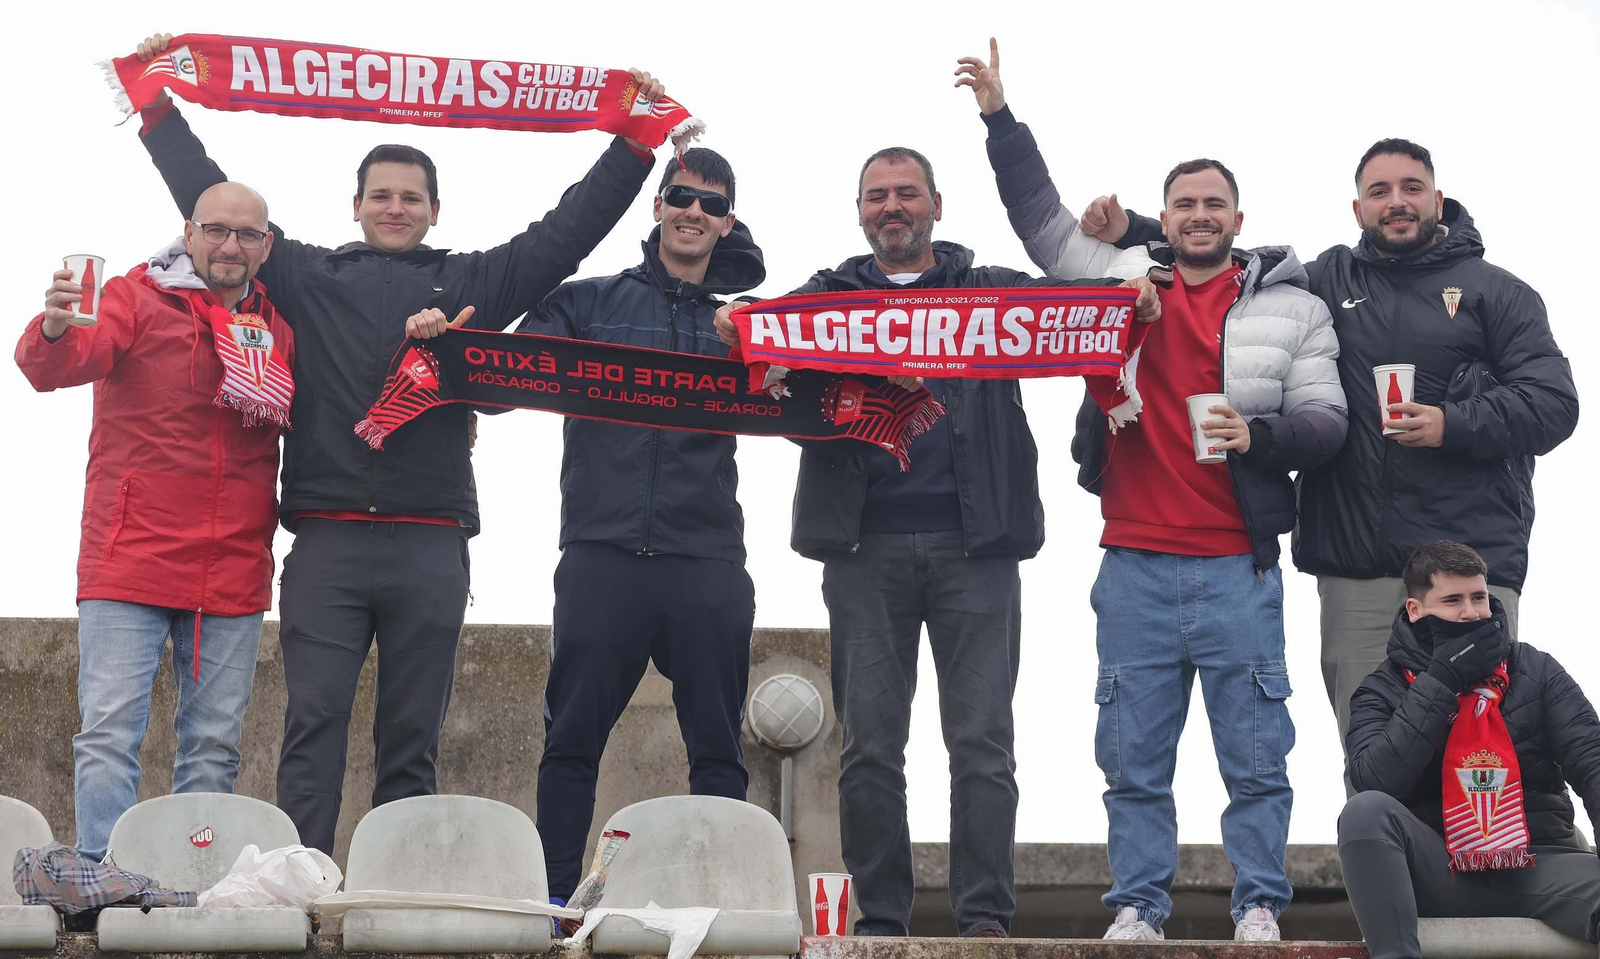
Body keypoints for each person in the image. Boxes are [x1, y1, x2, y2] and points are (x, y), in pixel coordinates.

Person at [130, 32, 667, 853]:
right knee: (311, 730)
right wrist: (153, 103)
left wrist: (637, 144)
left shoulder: (479, 281)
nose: (394, 208)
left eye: (411, 198)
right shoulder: (304, 274)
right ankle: (298, 892)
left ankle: (387, 891)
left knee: (411, 745)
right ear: (355, 206)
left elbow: (567, 233)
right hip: (329, 543)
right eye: (380, 195)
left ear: (434, 211)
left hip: (430, 543)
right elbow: (210, 199)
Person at [955, 39, 1347, 941]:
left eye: (1215, 204)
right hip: (1131, 563)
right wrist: (1000, 118)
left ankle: (1258, 903)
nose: (1199, 216)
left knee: (1257, 759)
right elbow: (1038, 220)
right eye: (1184, 204)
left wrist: (1263, 434)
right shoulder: (1115, 279)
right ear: (1161, 217)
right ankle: (1137, 904)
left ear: (1239, 216)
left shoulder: (1292, 306)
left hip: (1240, 571)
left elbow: (1328, 423)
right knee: (1131, 759)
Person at [715, 145, 1159, 939]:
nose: (893, 206)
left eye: (907, 193)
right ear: (860, 212)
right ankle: (882, 922)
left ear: (936, 205)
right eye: (877, 195)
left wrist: (1131, 299)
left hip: (977, 548)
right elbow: (757, 326)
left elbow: (1085, 300)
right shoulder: (827, 297)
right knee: (870, 751)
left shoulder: (989, 290)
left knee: (983, 745)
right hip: (862, 551)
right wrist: (738, 320)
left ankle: (984, 920)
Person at [1080, 137, 1579, 747]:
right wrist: (1131, 226)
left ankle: (1505, 849)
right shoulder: (1323, 280)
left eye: (1411, 189)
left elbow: (1555, 405)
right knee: (1373, 758)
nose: (1396, 203)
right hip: (1357, 569)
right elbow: (1224, 257)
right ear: (1357, 208)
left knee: (1488, 753)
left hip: (1470, 564)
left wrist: (1453, 423)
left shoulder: (1499, 292)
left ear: (1438, 200)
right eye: (1380, 192)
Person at [436, 149, 763, 903]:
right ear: (656, 206)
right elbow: (496, 387)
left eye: (710, 204)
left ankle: (719, 902)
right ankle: (552, 903)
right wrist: (454, 345)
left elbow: (822, 395)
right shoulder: (587, 302)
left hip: (706, 557)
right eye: (680, 195)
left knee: (719, 748)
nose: (693, 212)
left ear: (728, 222)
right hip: (600, 553)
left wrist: (759, 346)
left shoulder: (754, 322)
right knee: (571, 739)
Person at [16, 182, 292, 861]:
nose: (231, 245)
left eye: (247, 234)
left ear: (267, 244)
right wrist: (53, 326)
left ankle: (191, 879)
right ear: (188, 231)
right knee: (109, 733)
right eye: (218, 230)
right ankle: (103, 876)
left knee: (215, 745)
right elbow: (57, 365)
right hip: (129, 558)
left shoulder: (278, 323)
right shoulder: (133, 297)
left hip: (232, 566)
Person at [1339, 540, 1600, 959]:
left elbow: (1593, 762)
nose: (1471, 613)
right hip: (1441, 872)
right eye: (1452, 600)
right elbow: (1374, 780)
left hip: (1540, 865)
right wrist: (1440, 681)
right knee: (1364, 811)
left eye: (1478, 597)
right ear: (1415, 610)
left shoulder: (1536, 669)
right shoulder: (1380, 689)